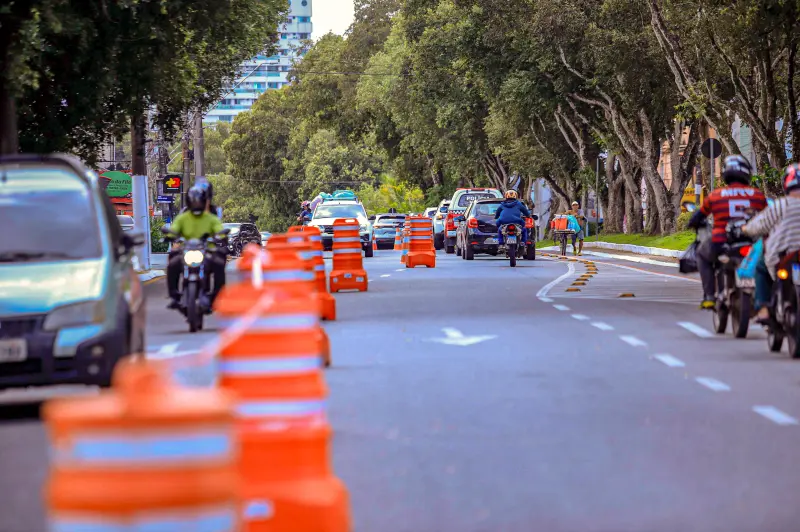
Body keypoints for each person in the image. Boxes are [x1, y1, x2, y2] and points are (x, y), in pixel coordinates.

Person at [687, 155, 767, 309]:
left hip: (721, 242)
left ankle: (709, 296)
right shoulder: (757, 195)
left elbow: (699, 216)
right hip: (752, 242)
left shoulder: (716, 195)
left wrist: (692, 223)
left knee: (702, 255)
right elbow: (768, 216)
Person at [743, 163, 800, 321]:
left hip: (782, 258)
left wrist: (745, 229)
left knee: (760, 268)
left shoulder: (781, 205)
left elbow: (759, 225)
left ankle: (764, 309)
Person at [166, 185, 225, 310]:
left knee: (219, 264)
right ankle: (174, 296)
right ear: (189, 202)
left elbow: (220, 230)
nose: (196, 204)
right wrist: (170, 235)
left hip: (207, 252)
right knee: (172, 264)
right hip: (185, 252)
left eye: (199, 202)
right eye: (193, 202)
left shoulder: (211, 218)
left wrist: (221, 236)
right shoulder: (182, 218)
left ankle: (216, 297)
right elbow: (174, 230)